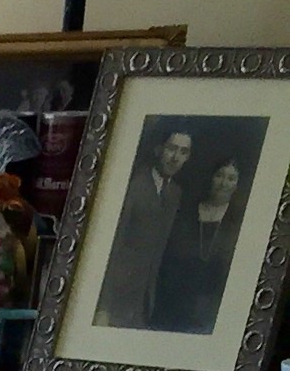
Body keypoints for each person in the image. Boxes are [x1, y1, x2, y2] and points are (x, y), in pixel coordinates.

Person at [95, 124, 193, 327]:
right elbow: (111, 246)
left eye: (183, 152)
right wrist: (102, 306)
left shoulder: (175, 193)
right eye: (171, 148)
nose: (175, 157)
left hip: (145, 300)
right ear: (159, 149)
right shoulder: (133, 186)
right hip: (116, 295)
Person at [151, 154, 247, 335]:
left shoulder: (240, 221)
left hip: (215, 307)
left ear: (236, 185)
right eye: (219, 175)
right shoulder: (187, 212)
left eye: (231, 178)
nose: (223, 183)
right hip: (177, 302)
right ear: (211, 177)